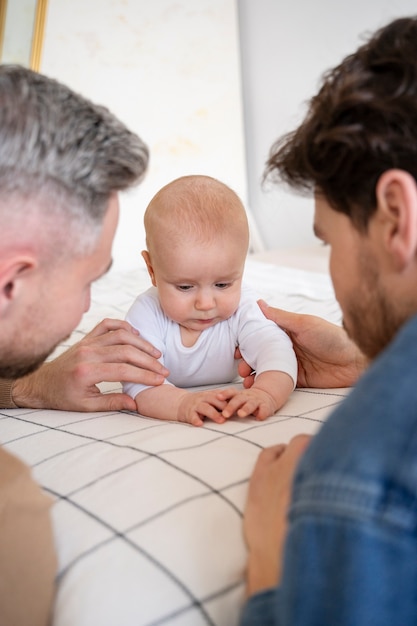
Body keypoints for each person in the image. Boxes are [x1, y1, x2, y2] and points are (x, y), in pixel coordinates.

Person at [240, 15, 417, 626]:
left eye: (329, 243)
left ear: (396, 216)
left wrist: (270, 560)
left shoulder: (362, 464)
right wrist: (370, 361)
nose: (332, 275)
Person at [0, 63, 155, 626]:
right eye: (90, 279)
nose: (88, 309)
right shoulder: (9, 516)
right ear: (10, 282)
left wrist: (23, 388)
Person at [123, 174, 297, 426]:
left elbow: (276, 350)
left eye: (223, 284)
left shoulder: (244, 306)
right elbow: (138, 383)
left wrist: (266, 393)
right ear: (152, 270)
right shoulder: (146, 313)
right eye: (184, 286)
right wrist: (182, 403)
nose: (206, 304)